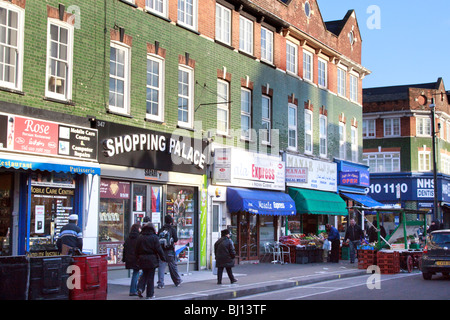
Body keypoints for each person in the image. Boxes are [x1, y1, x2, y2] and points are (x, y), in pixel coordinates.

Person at [135, 222, 166, 299]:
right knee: (150, 277)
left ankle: (140, 288)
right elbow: (158, 249)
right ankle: (150, 294)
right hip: (152, 259)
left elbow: (136, 250)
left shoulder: (140, 237)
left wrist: (137, 258)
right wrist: (163, 258)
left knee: (144, 274)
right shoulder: (154, 237)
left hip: (142, 258)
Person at [157, 215, 182, 289]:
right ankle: (177, 281)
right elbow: (176, 239)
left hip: (161, 250)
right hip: (170, 250)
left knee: (161, 267)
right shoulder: (172, 229)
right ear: (171, 221)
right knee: (172, 266)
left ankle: (160, 283)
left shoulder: (161, 229)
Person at [122, 223, 141, 296]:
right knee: (137, 273)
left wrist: (124, 259)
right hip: (137, 258)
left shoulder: (128, 238)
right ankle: (133, 290)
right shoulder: (139, 237)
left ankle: (135, 289)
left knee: (136, 273)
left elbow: (125, 249)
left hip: (130, 258)